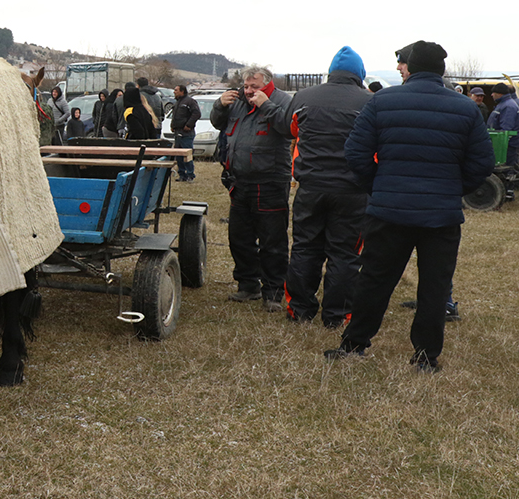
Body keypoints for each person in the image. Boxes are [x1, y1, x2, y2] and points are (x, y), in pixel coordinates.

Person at [326, 41, 493, 372]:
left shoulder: (383, 101)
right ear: (442, 71)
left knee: (374, 278)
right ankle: (426, 357)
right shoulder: (465, 107)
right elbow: (482, 162)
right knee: (434, 286)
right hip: (441, 214)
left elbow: (356, 153)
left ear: (411, 68)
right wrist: (454, 190)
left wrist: (378, 186)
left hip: (390, 209)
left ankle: (354, 344)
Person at [283, 47, 372, 328]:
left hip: (311, 186)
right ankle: (337, 315)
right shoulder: (370, 101)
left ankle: (299, 309)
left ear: (331, 72)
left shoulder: (305, 96)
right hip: (352, 191)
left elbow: (292, 129)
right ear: (359, 74)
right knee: (345, 253)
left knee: (304, 247)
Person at [211, 66, 294, 311]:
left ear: (266, 85)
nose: (248, 91)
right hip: (240, 181)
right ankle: (248, 286)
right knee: (239, 238)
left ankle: (273, 292)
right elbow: (219, 124)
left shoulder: (282, 101)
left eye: (253, 87)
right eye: (246, 86)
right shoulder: (236, 101)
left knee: (272, 241)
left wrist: (265, 104)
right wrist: (219, 105)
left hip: (270, 182)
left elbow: (288, 128)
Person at [170, 85, 200, 182]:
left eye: (176, 90)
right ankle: (182, 175)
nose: (174, 92)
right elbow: (175, 115)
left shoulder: (190, 101)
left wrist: (189, 125)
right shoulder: (177, 102)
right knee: (178, 155)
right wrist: (172, 125)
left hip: (186, 133)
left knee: (187, 155)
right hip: (178, 132)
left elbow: (196, 114)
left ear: (182, 91)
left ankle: (190, 175)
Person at [487, 83, 518, 167]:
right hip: (504, 144)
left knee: (508, 167)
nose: (492, 95)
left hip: (507, 146)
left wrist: (502, 142)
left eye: (493, 92)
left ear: (500, 93)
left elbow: (507, 128)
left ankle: (509, 176)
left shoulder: (508, 106)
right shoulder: (503, 104)